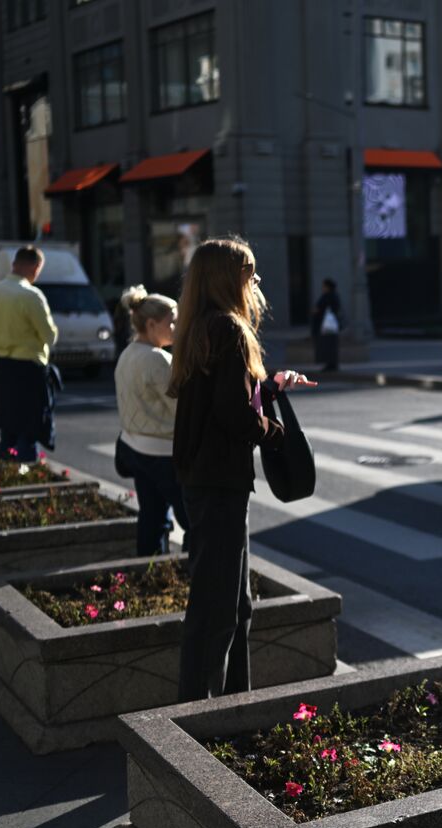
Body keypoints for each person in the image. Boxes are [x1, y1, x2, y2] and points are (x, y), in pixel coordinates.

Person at [169, 238, 314, 701]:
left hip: (209, 479)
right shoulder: (228, 329)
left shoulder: (201, 326)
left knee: (238, 604)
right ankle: (197, 715)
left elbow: (224, 401)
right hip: (218, 482)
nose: (254, 283)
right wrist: (275, 433)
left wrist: (268, 387)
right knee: (216, 609)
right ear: (228, 279)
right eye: (248, 274)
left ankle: (235, 704)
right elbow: (233, 414)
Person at [114, 285, 189, 556]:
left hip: (134, 449)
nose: (176, 328)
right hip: (165, 455)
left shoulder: (127, 354)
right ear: (151, 323)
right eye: (172, 322)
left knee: (152, 517)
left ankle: (148, 573)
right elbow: (183, 408)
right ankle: (194, 582)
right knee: (194, 523)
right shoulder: (158, 360)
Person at [0, 246, 57, 461]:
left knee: (9, 425)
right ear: (35, 267)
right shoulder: (31, 295)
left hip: (4, 366)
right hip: (30, 367)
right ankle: (26, 471)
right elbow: (49, 336)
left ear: (14, 264)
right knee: (30, 426)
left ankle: (7, 471)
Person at [310, 277, 342, 373]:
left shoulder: (327, 296)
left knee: (327, 344)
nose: (322, 288)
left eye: (324, 286)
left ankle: (330, 364)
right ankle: (332, 364)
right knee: (332, 345)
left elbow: (318, 309)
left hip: (325, 325)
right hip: (333, 325)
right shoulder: (335, 296)